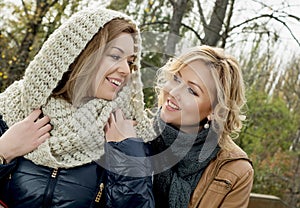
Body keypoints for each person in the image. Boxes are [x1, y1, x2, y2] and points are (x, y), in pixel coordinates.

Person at [0, 7, 154, 207]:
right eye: (115, 56)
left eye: (131, 62)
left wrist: (127, 152)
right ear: (81, 53)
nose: (126, 70)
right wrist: (4, 151)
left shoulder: (126, 131)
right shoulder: (12, 110)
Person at [108, 45, 254, 208]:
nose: (174, 92)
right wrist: (125, 149)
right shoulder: (128, 133)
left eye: (192, 90)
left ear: (215, 110)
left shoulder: (236, 170)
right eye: (176, 79)